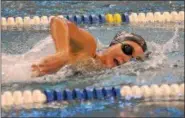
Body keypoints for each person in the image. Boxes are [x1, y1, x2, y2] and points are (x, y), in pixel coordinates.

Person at [31, 17, 147, 77]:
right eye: (127, 49)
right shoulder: (88, 48)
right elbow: (59, 22)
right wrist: (62, 54)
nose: (127, 60)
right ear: (115, 43)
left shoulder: (102, 75)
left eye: (133, 59)